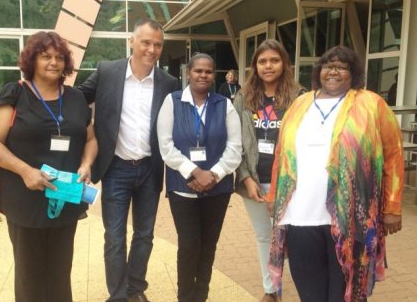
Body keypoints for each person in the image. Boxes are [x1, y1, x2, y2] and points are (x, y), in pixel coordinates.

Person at [266, 45, 404, 302]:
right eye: (329, 66)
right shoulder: (300, 104)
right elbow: (281, 155)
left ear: (353, 73)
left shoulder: (372, 104)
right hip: (300, 216)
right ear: (319, 70)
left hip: (350, 220)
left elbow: (394, 154)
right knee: (310, 293)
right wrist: (274, 195)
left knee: (345, 294)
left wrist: (393, 206)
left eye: (341, 67)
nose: (333, 71)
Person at [0, 31, 98, 302]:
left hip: (65, 198)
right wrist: (26, 171)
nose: (53, 63)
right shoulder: (16, 93)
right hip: (25, 200)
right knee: (30, 274)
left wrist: (86, 163)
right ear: (32, 60)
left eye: (59, 57)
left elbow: (91, 139)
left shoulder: (74, 98)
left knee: (60, 272)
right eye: (45, 56)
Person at [76, 19, 179, 302]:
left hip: (150, 168)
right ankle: (118, 295)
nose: (152, 49)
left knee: (144, 235)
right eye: (146, 42)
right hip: (116, 168)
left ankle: (135, 290)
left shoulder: (169, 83)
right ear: (131, 41)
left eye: (158, 44)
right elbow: (77, 99)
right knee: (115, 237)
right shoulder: (108, 72)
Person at [157, 53, 242, 302]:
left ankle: (201, 296)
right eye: (198, 71)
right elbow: (166, 146)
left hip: (217, 189)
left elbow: (235, 148)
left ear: (213, 75)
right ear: (188, 73)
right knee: (189, 246)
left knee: (208, 247)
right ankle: (185, 297)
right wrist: (195, 172)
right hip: (183, 190)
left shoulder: (224, 105)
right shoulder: (172, 102)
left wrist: (212, 175)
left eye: (208, 71)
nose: (203, 75)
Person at [233, 39, 304, 302]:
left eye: (274, 60)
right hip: (255, 182)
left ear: (284, 63)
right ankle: (271, 290)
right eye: (262, 61)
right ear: (255, 66)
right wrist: (246, 177)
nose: (268, 66)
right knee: (264, 237)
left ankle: (306, 287)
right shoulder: (244, 97)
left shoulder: (299, 98)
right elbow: (235, 141)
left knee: (292, 239)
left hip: (289, 184)